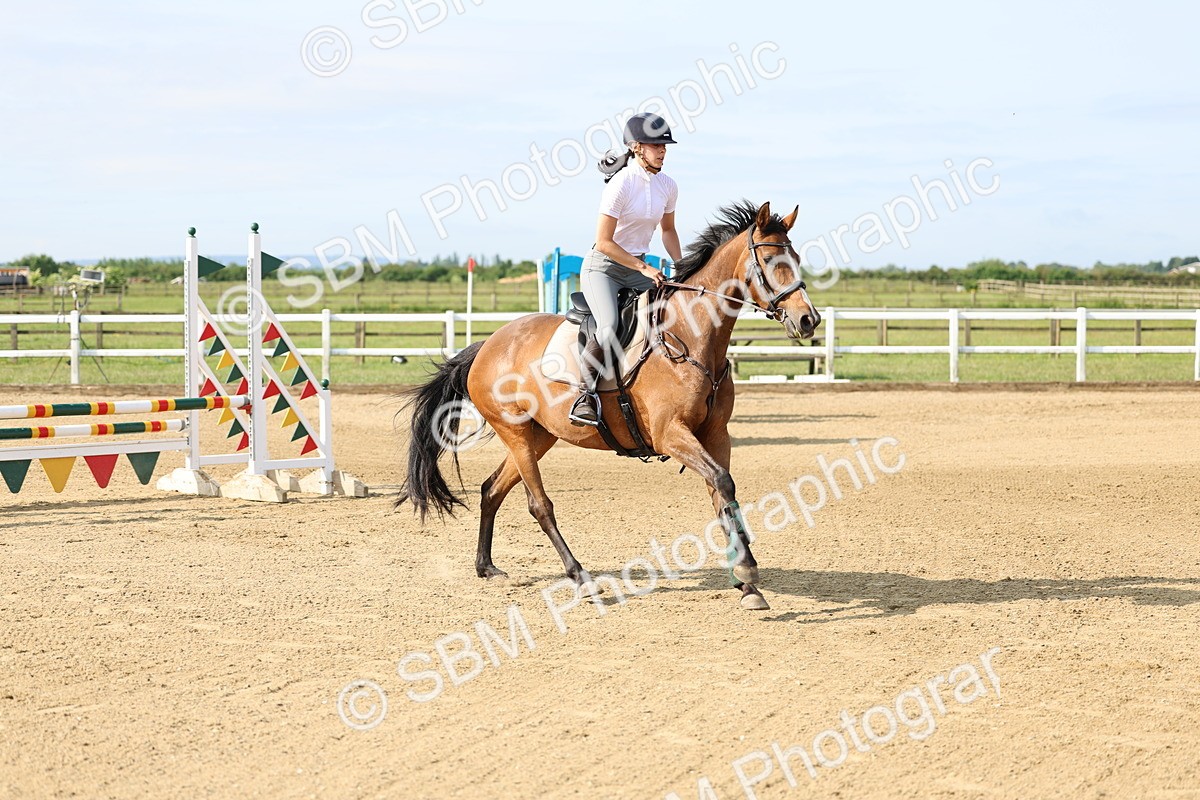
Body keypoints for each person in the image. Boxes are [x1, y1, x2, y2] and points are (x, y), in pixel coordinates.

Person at [568, 112, 684, 426]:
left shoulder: (668, 186)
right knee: (608, 326)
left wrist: (683, 265)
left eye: (665, 145)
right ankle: (585, 396)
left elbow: (668, 231)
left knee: (666, 318)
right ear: (636, 147)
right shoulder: (620, 185)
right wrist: (644, 268)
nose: (662, 150)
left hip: (637, 267)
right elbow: (604, 242)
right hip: (603, 268)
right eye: (655, 145)